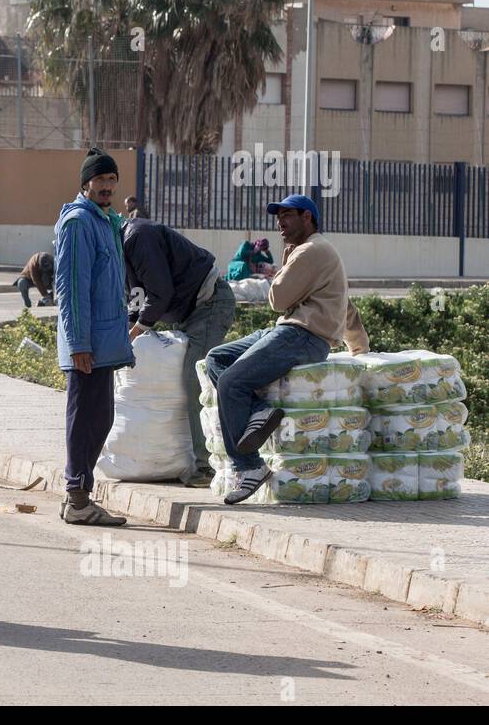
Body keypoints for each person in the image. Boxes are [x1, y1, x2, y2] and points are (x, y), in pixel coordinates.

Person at [206, 195, 370, 504]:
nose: (280, 222)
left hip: (302, 336)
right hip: (292, 330)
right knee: (217, 358)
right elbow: (344, 305)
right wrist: (359, 347)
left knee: (231, 382)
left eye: (287, 215)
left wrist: (284, 265)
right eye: (278, 216)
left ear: (307, 217)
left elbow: (277, 300)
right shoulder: (320, 251)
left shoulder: (310, 251)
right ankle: (259, 412)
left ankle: (249, 466)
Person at [122, 217, 236, 487]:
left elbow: (160, 292)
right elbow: (138, 299)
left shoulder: (137, 237)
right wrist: (123, 336)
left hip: (209, 305)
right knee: (178, 381)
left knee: (194, 380)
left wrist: (134, 333)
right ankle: (185, 458)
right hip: (188, 313)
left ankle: (206, 466)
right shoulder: (122, 248)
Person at [54, 148, 133, 526]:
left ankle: (77, 496)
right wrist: (79, 343)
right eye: (100, 179)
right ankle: (78, 499)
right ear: (85, 183)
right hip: (88, 343)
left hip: (103, 341)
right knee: (86, 418)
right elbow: (72, 287)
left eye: (112, 180)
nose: (107, 186)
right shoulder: (78, 224)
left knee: (99, 418)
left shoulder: (105, 221)